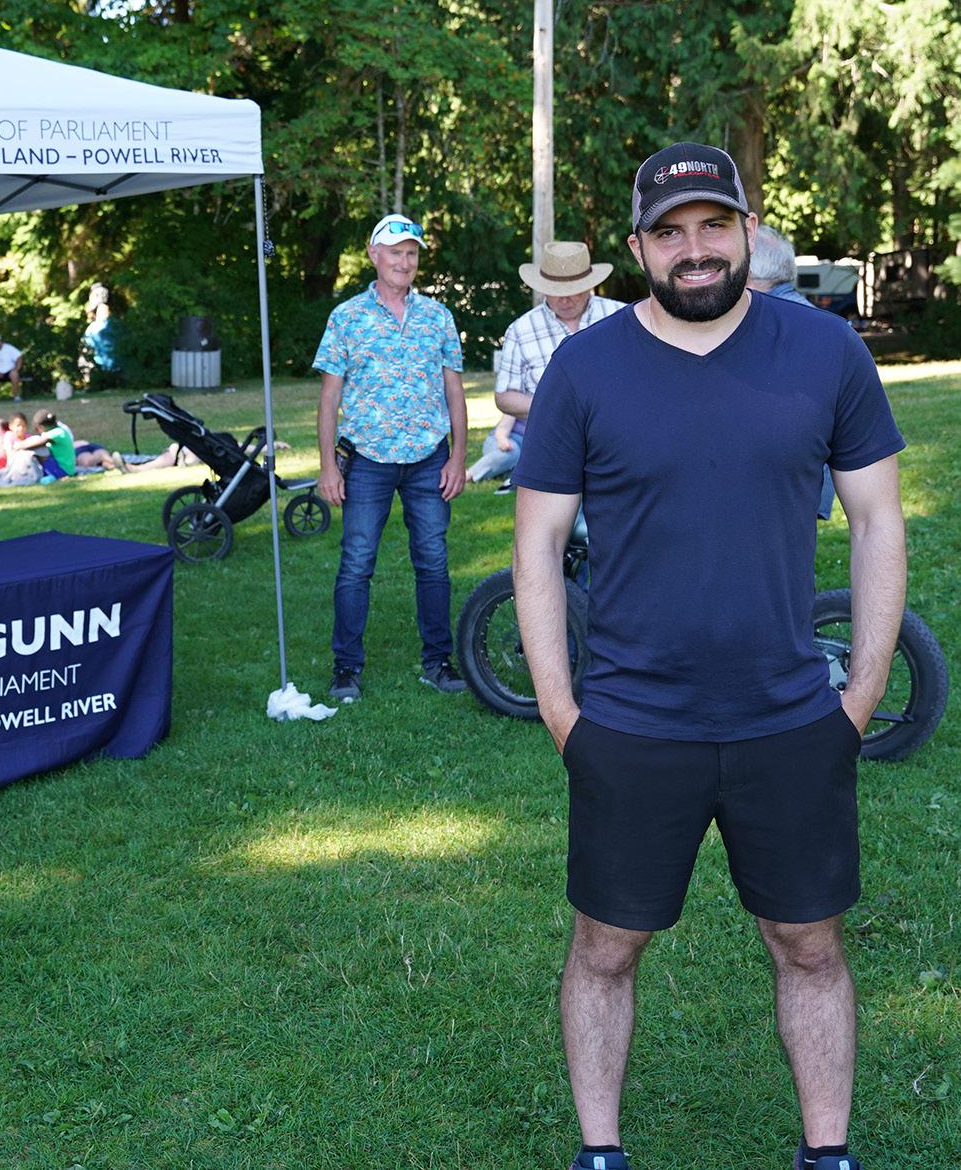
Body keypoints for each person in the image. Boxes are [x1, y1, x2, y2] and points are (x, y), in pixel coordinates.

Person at [511, 142, 906, 1170]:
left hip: (791, 718)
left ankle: (827, 1152)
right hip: (630, 723)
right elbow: (536, 545)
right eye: (670, 232)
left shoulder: (824, 352)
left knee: (809, 944)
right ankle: (600, 1151)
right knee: (605, 947)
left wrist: (860, 695)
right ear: (639, 247)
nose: (694, 249)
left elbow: (876, 523)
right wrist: (561, 713)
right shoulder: (583, 368)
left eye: (713, 225)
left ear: (745, 230)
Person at [314, 212, 470, 701]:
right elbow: (329, 398)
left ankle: (438, 662)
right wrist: (327, 465)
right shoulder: (346, 317)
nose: (404, 262)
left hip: (429, 458)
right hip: (366, 459)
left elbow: (455, 391)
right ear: (374, 254)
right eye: (396, 252)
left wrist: (458, 458)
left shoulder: (438, 317)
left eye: (411, 253)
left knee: (434, 561)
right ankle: (346, 668)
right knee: (357, 562)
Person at [469, 240, 623, 490]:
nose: (564, 298)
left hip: (613, 439)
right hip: (550, 442)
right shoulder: (521, 330)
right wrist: (558, 406)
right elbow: (505, 397)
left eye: (573, 290)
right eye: (555, 290)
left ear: (589, 285)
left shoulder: (620, 318)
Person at [749, 224, 836, 519]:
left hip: (778, 486)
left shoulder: (766, 326)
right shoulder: (819, 322)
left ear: (748, 273)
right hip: (811, 481)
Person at [16, 410, 129, 477]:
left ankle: (121, 464)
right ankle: (119, 465)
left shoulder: (55, 433)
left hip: (68, 464)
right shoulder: (60, 430)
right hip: (85, 449)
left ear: (41, 427)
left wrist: (19, 445)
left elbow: (40, 443)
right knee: (102, 458)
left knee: (92, 460)